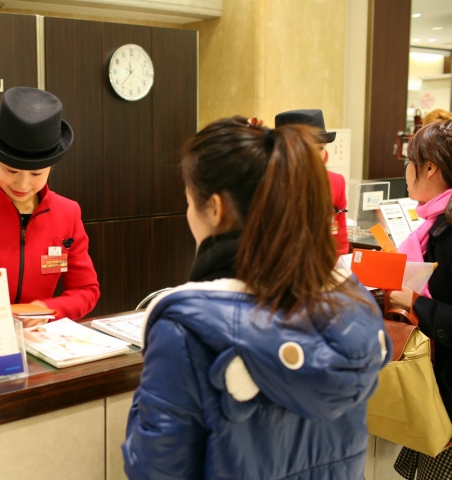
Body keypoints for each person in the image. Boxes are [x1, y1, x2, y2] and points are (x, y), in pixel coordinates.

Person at [122, 116, 391, 479]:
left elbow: (154, 468)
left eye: (189, 201)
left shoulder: (187, 328)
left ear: (214, 208)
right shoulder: (351, 302)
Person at [0, 87, 100, 323]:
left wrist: (48, 309)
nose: (22, 185)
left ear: (51, 167)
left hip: (37, 338)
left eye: (36, 174)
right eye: (11, 170)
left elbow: (86, 290)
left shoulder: (68, 213)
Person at [389, 119, 452, 480]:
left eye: (410, 162)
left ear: (430, 168)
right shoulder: (433, 223)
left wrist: (415, 302)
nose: (406, 172)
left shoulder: (447, 231)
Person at [275, 109, 349, 257]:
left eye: (320, 148)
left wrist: (332, 266)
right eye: (307, 148)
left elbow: (340, 241)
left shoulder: (335, 182)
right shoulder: (271, 184)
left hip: (324, 265)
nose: (316, 156)